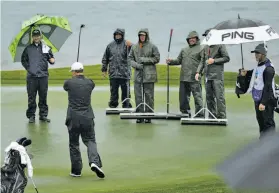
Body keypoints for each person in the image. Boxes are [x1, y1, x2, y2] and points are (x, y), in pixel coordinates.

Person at [63, 62, 105, 178]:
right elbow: (90, 85)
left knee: (74, 144)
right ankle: (94, 162)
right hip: (87, 117)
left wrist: (73, 79)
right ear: (82, 70)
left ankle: (76, 171)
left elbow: (66, 87)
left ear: (73, 72)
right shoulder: (90, 83)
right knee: (90, 141)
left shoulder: (68, 83)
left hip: (73, 118)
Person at [240, 43, 276, 138]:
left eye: (258, 53)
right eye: (255, 53)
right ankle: (263, 143)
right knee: (261, 123)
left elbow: (268, 87)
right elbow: (257, 73)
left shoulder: (269, 68)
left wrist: (263, 103)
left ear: (263, 54)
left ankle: (270, 147)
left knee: (268, 124)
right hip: (258, 98)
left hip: (266, 100)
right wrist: (247, 73)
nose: (255, 55)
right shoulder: (259, 64)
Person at [166, 31, 204, 118]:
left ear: (197, 39)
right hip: (183, 77)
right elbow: (179, 61)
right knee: (183, 97)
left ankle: (200, 114)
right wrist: (170, 61)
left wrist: (200, 73)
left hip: (194, 77)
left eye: (193, 38)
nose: (191, 40)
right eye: (190, 38)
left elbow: (203, 62)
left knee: (197, 96)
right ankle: (185, 112)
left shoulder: (201, 48)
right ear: (188, 40)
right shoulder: (184, 50)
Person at [21, 29, 54, 123]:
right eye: (35, 36)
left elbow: (51, 58)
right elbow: (24, 61)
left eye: (38, 35)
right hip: (32, 77)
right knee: (31, 97)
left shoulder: (45, 47)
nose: (36, 37)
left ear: (41, 36)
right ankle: (31, 116)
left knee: (43, 96)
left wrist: (52, 60)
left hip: (43, 76)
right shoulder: (28, 49)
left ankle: (43, 115)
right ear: (32, 37)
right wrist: (29, 69)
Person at [195, 28, 230, 119]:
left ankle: (221, 116)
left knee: (219, 97)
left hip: (217, 76)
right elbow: (202, 61)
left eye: (208, 36)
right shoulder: (205, 47)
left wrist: (214, 60)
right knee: (209, 97)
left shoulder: (220, 45)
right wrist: (198, 72)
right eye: (206, 36)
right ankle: (212, 115)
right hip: (207, 76)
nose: (207, 37)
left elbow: (226, 58)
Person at [128, 28, 160, 123]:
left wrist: (144, 60)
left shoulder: (152, 46)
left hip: (149, 75)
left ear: (146, 36)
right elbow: (129, 59)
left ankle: (149, 115)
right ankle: (139, 115)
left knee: (149, 96)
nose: (142, 37)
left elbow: (157, 58)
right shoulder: (134, 47)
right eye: (140, 35)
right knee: (138, 96)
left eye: (143, 35)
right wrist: (137, 65)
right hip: (138, 74)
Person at [101, 28, 133, 108]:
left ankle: (126, 104)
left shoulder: (127, 44)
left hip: (125, 73)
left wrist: (131, 45)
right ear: (114, 35)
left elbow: (134, 53)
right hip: (113, 73)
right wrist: (104, 69)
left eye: (119, 34)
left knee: (126, 91)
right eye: (116, 34)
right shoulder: (110, 45)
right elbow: (105, 58)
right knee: (113, 91)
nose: (118, 36)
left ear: (122, 35)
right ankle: (113, 104)